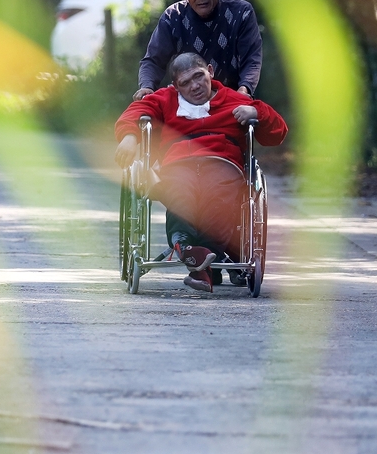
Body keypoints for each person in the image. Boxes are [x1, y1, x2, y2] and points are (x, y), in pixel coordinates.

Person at [115, 52, 287, 292]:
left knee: (217, 199)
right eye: (185, 83)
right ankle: (193, 254)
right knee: (180, 194)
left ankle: (196, 260)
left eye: (199, 76)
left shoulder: (234, 100)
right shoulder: (165, 99)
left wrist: (257, 113)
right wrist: (130, 136)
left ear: (210, 71)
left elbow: (277, 133)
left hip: (222, 163)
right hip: (178, 164)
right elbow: (135, 111)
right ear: (175, 86)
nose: (195, 86)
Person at [133, 0, 262, 101]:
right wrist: (146, 87)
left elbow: (251, 58)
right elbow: (153, 60)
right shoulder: (173, 17)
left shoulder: (241, 12)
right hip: (187, 100)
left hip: (231, 97)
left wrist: (244, 89)